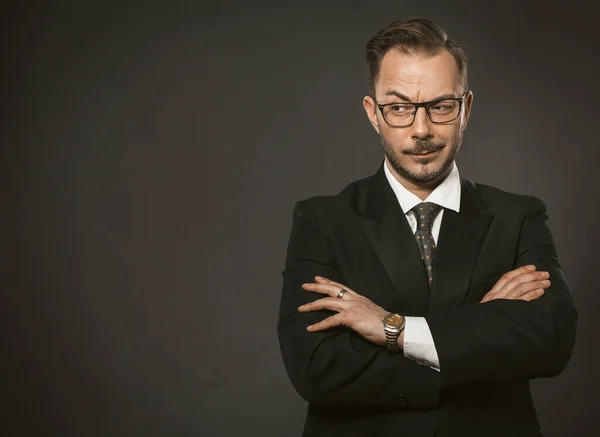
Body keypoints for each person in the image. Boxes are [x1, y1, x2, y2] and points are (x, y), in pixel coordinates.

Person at [277, 17, 577, 437]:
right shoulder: (322, 220)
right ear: (373, 113)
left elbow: (550, 342)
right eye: (399, 107)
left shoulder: (519, 216)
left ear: (465, 109)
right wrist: (477, 336)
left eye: (440, 106)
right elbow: (317, 368)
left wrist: (392, 329)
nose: (421, 129)